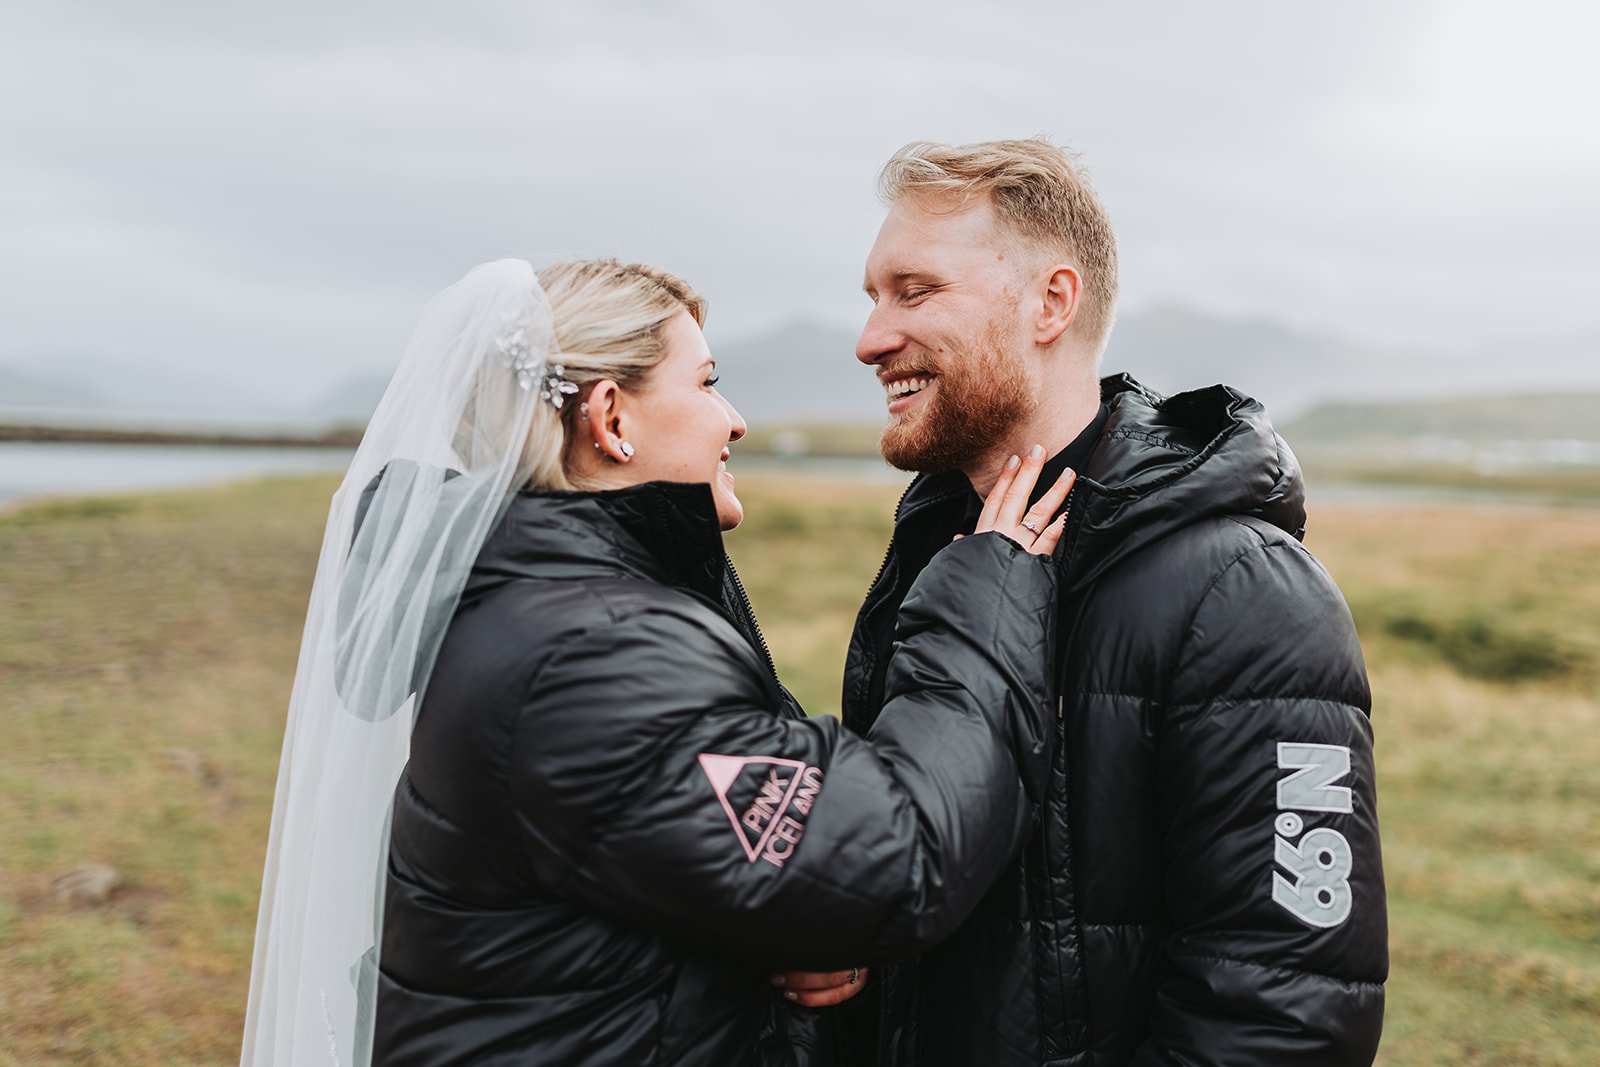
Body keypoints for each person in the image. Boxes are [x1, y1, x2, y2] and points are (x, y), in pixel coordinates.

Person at [241, 256, 1078, 1066]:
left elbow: (647, 879)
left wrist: (788, 929)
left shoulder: (538, 611)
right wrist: (985, 604)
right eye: (707, 382)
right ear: (610, 419)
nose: (735, 419)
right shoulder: (588, 659)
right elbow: (895, 855)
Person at [829, 140, 1388, 1065]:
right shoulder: (936, 551)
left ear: (1052, 302)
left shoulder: (1245, 589)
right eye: (872, 297)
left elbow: (1289, 1013)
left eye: (914, 291)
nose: (871, 338)